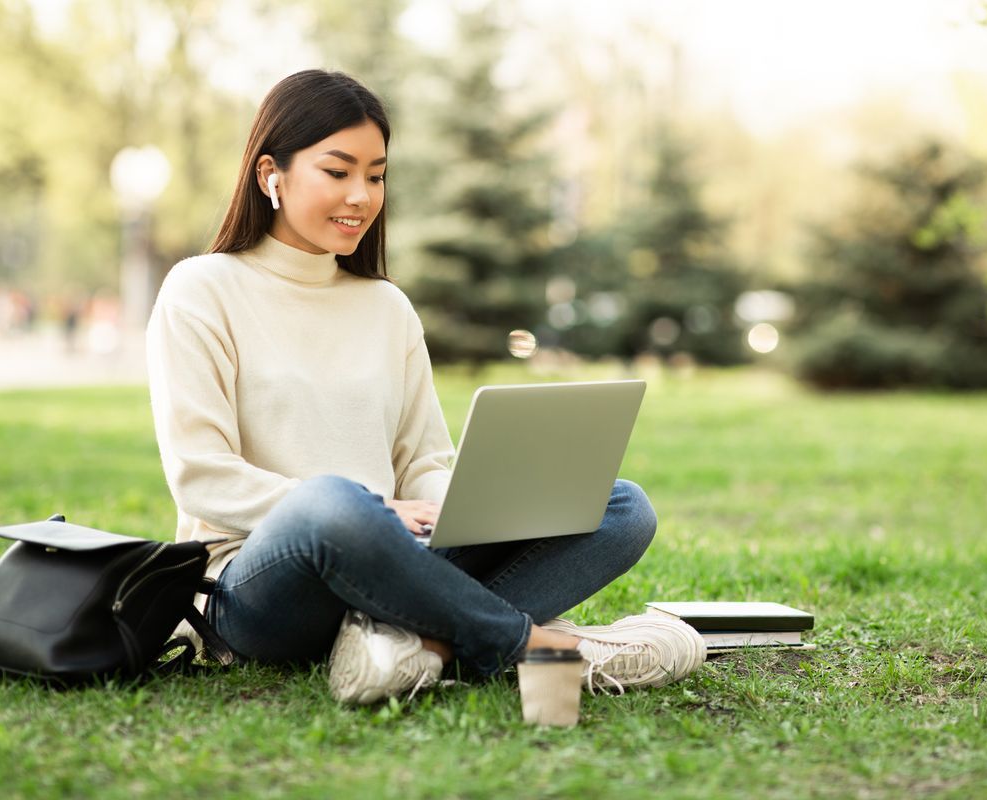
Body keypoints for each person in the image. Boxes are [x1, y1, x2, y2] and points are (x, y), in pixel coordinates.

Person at [145, 69, 705, 704]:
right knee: (334, 504)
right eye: (338, 171)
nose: (361, 194)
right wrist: (372, 514)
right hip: (259, 585)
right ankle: (534, 648)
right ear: (271, 173)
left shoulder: (386, 307)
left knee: (621, 506)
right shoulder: (202, 289)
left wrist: (465, 512)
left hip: (395, 560)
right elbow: (201, 474)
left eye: (376, 175)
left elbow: (423, 462)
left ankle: (411, 645)